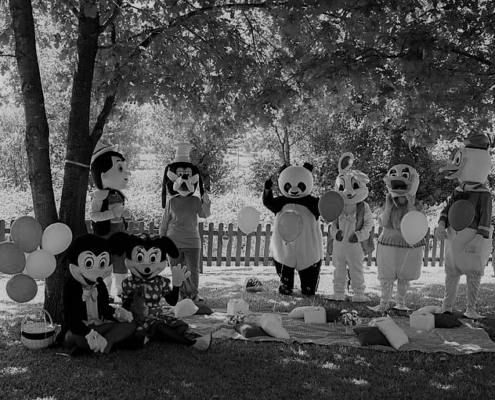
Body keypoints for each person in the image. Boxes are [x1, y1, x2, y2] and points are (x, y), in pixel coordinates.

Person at [435, 134, 493, 319]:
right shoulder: (457, 191)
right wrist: (441, 225)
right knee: (451, 272)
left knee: (473, 274)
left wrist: (478, 239)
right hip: (454, 235)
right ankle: (446, 306)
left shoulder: (484, 194)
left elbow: (485, 218)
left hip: (471, 238)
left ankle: (471, 308)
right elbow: (447, 210)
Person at [58, 234, 136, 356]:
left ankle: (101, 345)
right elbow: (70, 319)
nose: (96, 273)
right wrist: (87, 333)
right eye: (89, 263)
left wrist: (118, 313)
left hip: (99, 327)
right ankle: (115, 344)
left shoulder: (100, 285)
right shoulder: (70, 287)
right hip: (79, 330)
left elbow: (104, 309)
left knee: (130, 325)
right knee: (74, 337)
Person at [159, 142, 211, 301]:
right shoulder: (172, 202)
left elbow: (205, 215)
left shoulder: (195, 201)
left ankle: (193, 295)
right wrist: (162, 241)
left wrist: (207, 202)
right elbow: (164, 223)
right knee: (177, 271)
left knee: (192, 271)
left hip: (192, 242)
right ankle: (181, 295)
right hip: (173, 242)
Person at [89, 142, 131, 301]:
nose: (126, 173)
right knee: (105, 263)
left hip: (120, 234)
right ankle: (104, 293)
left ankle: (121, 291)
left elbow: (121, 212)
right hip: (105, 235)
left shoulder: (119, 194)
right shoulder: (99, 196)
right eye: (119, 168)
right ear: (102, 174)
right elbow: (93, 215)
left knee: (121, 264)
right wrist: (111, 214)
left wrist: (125, 215)